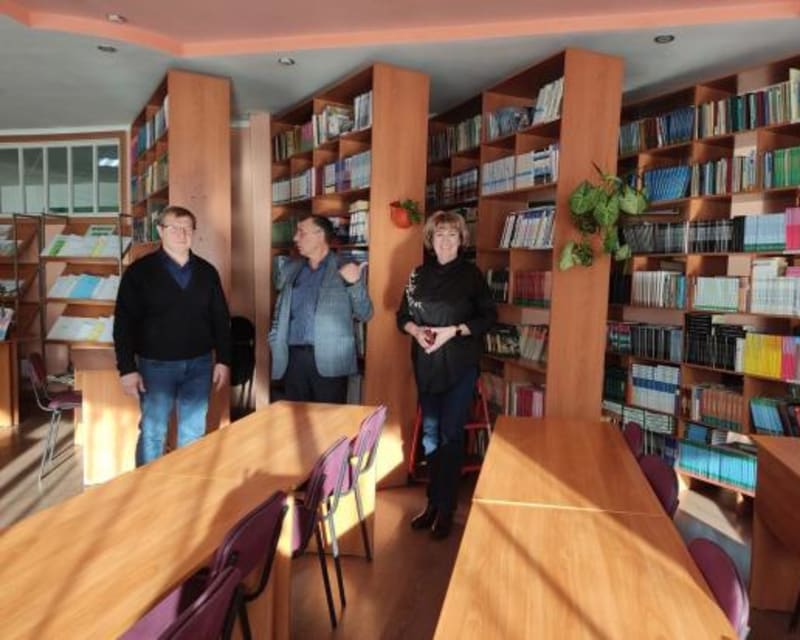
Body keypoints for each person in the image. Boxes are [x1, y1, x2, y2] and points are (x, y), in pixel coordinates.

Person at [396, 210, 496, 539]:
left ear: (461, 239)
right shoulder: (417, 275)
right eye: (440, 234)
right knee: (429, 435)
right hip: (427, 365)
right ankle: (432, 504)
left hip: (459, 365)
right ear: (431, 239)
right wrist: (416, 331)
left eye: (452, 234)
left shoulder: (471, 275)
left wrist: (453, 330)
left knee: (450, 435)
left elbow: (488, 317)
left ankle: (447, 509)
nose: (446, 240)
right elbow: (402, 317)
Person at [114, 205, 231, 466]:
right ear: (160, 231)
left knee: (194, 433)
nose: (181, 234)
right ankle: (148, 487)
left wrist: (223, 359)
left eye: (187, 228)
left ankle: (186, 486)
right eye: (173, 228)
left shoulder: (207, 272)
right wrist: (127, 369)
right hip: (155, 367)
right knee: (153, 433)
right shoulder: (139, 272)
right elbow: (123, 323)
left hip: (200, 365)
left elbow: (221, 320)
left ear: (194, 232)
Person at [269, 214, 373, 403]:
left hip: (331, 361)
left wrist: (354, 284)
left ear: (320, 235)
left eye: (301, 233)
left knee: (329, 420)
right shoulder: (291, 269)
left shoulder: (344, 267)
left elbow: (365, 313)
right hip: (293, 361)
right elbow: (278, 316)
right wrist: (274, 344)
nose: (295, 238)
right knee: (294, 417)